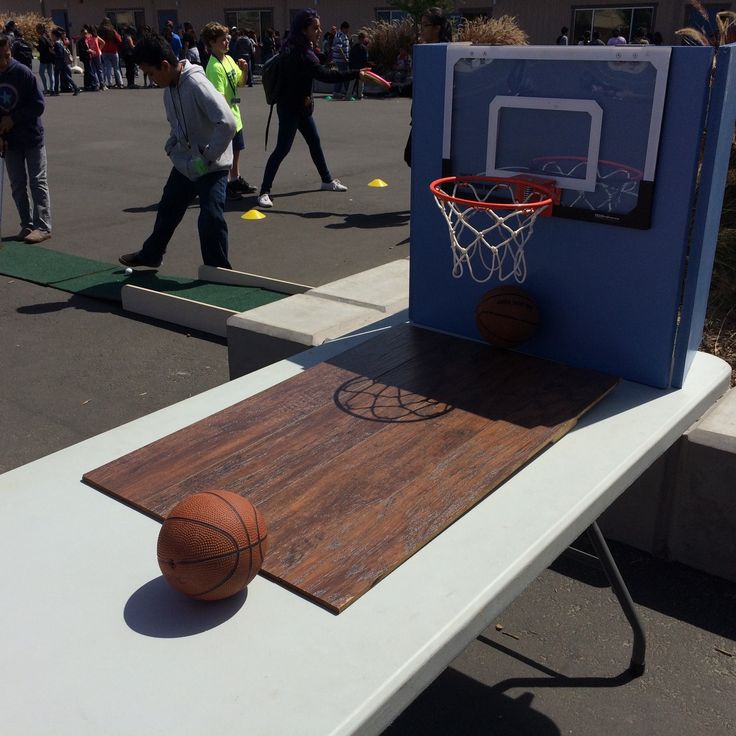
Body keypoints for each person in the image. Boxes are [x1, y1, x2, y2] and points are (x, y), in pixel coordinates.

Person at [118, 35, 236, 270]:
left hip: (212, 165)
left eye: (151, 74)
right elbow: (178, 126)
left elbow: (228, 123)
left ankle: (219, 270)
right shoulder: (168, 90)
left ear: (164, 65)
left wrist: (208, 157)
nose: (151, 80)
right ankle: (152, 254)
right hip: (187, 163)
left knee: (211, 218)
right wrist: (171, 145)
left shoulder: (196, 85)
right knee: (168, 209)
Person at [256, 9, 365, 209]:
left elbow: (315, 62)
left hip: (301, 108)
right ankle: (264, 191)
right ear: (304, 29)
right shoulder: (299, 52)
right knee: (282, 149)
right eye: (315, 27)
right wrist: (355, 73)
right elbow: (324, 75)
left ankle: (326, 180)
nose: (319, 30)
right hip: (290, 109)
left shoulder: (298, 46)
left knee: (314, 143)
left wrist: (326, 56)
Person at [0, 34, 52, 243]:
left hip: (31, 136)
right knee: (17, 184)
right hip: (9, 141)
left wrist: (13, 118)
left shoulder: (23, 73)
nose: (3, 62)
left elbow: (38, 105)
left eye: (6, 55)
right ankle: (27, 224)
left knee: (37, 181)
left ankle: (43, 226)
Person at [202, 21, 256, 199]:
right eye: (222, 40)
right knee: (225, 154)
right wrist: (227, 112)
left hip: (235, 116)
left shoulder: (229, 59)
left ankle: (235, 179)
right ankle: (224, 185)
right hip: (226, 118)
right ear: (211, 43)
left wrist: (245, 70)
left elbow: (240, 82)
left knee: (237, 149)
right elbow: (218, 98)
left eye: (227, 39)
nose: (226, 42)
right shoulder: (214, 67)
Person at [401, 8, 453, 167]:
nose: (421, 29)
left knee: (420, 159)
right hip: (422, 118)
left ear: (437, 28)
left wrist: (397, 88)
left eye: (425, 25)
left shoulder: (439, 52)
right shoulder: (427, 51)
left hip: (431, 120)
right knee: (413, 157)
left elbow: (425, 85)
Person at [51, 27, 79, 96]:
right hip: (63, 62)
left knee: (56, 76)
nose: (51, 37)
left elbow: (59, 54)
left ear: (55, 36)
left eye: (52, 35)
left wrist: (53, 52)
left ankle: (56, 91)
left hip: (59, 62)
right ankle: (75, 87)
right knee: (66, 76)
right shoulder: (61, 42)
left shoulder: (57, 43)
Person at [330, 21, 350, 98]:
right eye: (347, 29)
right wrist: (345, 58)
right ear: (343, 28)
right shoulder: (340, 35)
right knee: (343, 76)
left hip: (342, 60)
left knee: (342, 76)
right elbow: (339, 48)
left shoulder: (344, 35)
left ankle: (343, 91)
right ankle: (339, 91)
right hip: (340, 61)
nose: (348, 31)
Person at [348, 31, 369, 100]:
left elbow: (350, 57)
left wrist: (350, 66)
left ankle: (348, 95)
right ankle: (360, 95)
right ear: (363, 39)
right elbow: (365, 59)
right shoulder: (364, 48)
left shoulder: (354, 47)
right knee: (361, 82)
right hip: (361, 68)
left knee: (352, 82)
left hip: (354, 67)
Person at [36, 24, 54, 94]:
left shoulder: (41, 38)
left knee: (41, 73)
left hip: (44, 59)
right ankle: (52, 88)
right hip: (50, 58)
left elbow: (42, 49)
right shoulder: (48, 37)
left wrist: (37, 47)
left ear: (41, 30)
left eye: (37, 29)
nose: (37, 31)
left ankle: (46, 88)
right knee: (50, 73)